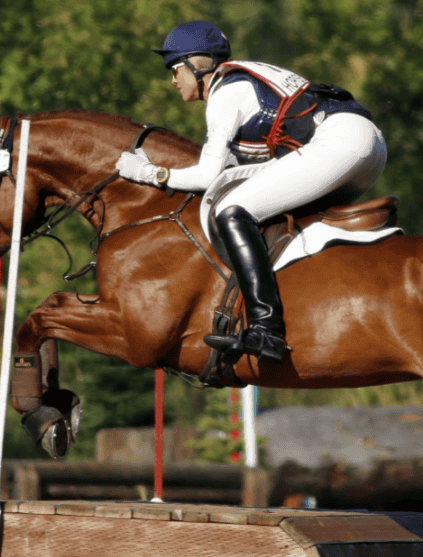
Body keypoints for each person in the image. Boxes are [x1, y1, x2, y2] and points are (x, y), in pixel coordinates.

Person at [117, 20, 387, 364]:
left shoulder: (225, 92)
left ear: (197, 65)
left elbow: (208, 175)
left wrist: (149, 173)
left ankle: (266, 329)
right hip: (367, 144)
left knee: (232, 211)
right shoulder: (243, 77)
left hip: (341, 143)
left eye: (175, 69)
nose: (172, 80)